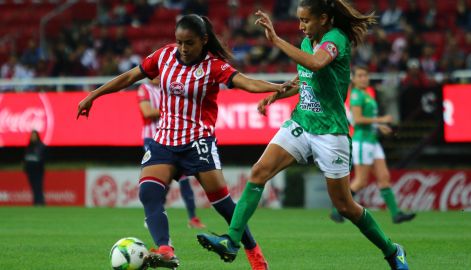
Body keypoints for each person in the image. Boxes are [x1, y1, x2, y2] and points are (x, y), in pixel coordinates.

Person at [196, 1, 410, 269]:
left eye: (306, 21)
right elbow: (305, 79)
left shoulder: (336, 39)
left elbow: (316, 64)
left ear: (324, 18)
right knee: (258, 172)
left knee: (345, 206)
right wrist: (275, 95)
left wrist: (276, 40)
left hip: (330, 131)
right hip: (301, 123)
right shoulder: (308, 41)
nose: (301, 26)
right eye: (299, 20)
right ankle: (232, 241)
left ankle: (392, 251)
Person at [78, 14, 283, 270]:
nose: (183, 49)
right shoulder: (164, 56)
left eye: (189, 43)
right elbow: (130, 76)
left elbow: (247, 83)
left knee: (223, 205)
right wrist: (93, 95)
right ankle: (165, 250)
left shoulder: (213, 66)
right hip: (164, 140)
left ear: (203, 40)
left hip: (198, 142)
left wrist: (279, 87)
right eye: (179, 42)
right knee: (148, 193)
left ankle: (255, 255)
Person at [329, 66, 416, 224]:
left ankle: (396, 214)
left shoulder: (366, 94)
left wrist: (378, 127)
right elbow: (358, 120)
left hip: (372, 140)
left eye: (365, 75)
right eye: (360, 76)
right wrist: (380, 120)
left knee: (384, 177)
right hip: (362, 141)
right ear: (354, 80)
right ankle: (337, 209)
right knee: (361, 181)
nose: (364, 78)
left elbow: (365, 120)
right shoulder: (356, 95)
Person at [137, 78, 206, 229]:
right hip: (152, 139)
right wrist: (172, 110)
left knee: (184, 178)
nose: (157, 76)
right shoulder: (145, 88)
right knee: (160, 179)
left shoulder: (167, 88)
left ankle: (192, 218)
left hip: (172, 139)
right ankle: (154, 214)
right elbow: (147, 112)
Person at [23, 130, 46, 206]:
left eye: (34, 135)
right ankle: (36, 202)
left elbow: (43, 158)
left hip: (38, 171)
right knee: (33, 187)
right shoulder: (29, 146)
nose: (33, 137)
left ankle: (40, 202)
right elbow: (25, 158)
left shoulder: (41, 146)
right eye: (32, 135)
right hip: (30, 170)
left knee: (38, 186)